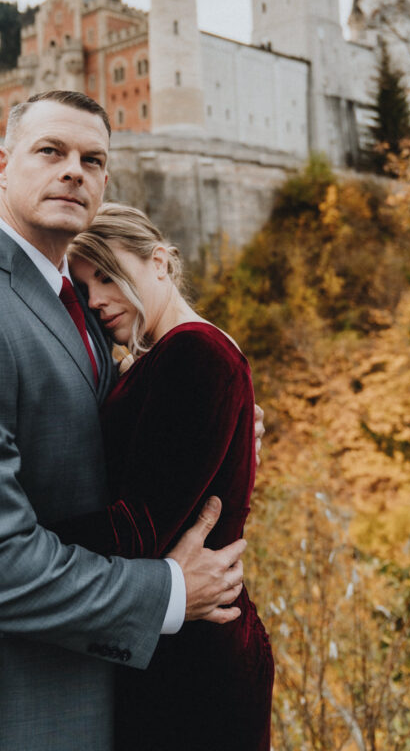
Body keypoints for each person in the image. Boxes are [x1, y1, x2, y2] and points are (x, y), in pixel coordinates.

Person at [0, 91, 250, 751]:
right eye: (50, 151)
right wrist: (165, 593)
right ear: (0, 163)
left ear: (106, 182)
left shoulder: (73, 301)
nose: (73, 170)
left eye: (92, 159)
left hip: (90, 689)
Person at [52, 202, 275, 750]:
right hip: (171, 642)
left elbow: (137, 530)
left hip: (197, 664)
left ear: (160, 261)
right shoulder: (165, 359)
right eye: (84, 288)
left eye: (106, 273)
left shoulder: (195, 353)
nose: (96, 299)